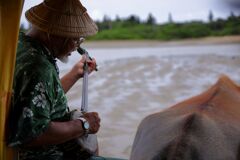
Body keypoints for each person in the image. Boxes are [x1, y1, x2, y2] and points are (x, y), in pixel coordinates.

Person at [7, 0, 125, 160]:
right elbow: (32, 133)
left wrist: (75, 74)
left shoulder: (19, 45)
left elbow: (39, 101)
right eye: (75, 40)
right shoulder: (39, 67)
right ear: (52, 33)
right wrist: (84, 124)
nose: (76, 47)